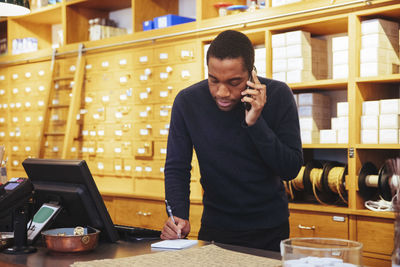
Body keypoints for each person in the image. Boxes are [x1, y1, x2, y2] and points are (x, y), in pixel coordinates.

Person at [161, 30, 303, 251]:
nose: (222, 92)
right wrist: (179, 214)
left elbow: (290, 169)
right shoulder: (188, 102)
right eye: (213, 80)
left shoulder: (279, 95)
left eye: (234, 82)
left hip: (270, 231)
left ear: (251, 74)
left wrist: (256, 122)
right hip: (216, 229)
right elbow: (177, 167)